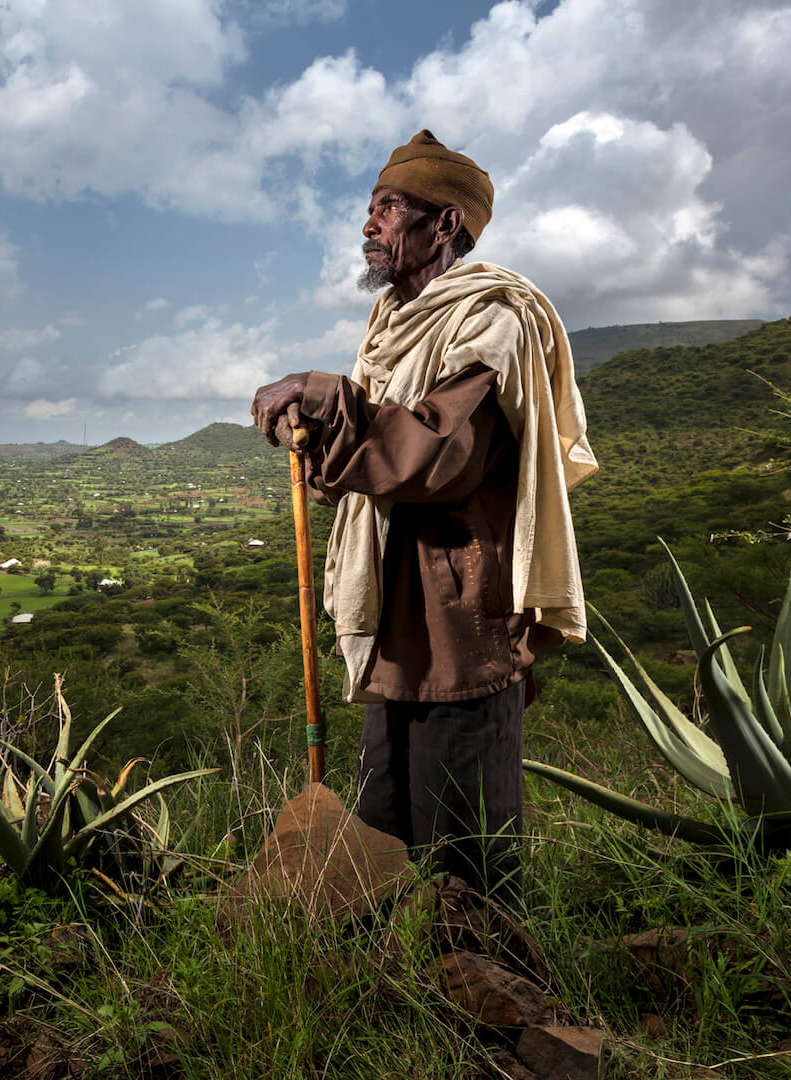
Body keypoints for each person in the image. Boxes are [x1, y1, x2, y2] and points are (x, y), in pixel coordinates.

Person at [250, 130, 597, 903]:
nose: (368, 226)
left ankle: (491, 996)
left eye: (389, 208)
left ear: (445, 225)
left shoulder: (491, 322)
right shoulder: (393, 323)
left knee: (465, 839)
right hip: (398, 621)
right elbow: (366, 455)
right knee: (386, 822)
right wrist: (310, 430)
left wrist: (320, 394)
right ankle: (399, 994)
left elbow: (436, 458)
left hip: (463, 620)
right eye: (370, 208)